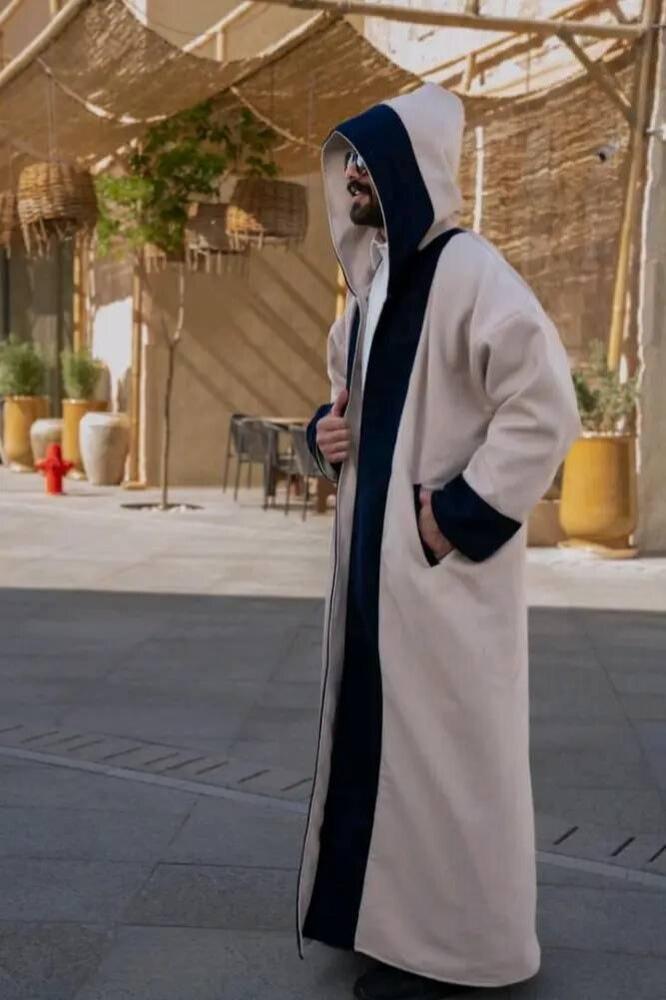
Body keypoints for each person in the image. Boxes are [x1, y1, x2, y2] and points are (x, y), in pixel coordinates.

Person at [299, 83, 581, 1000]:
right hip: (378, 580)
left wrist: (451, 518)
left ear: (411, 170)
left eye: (368, 165)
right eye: (350, 165)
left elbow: (545, 406)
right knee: (386, 754)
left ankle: (460, 955)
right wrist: (322, 433)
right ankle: (390, 929)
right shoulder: (371, 286)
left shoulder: (470, 273)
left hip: (439, 577)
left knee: (452, 766)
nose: (354, 179)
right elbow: (344, 397)